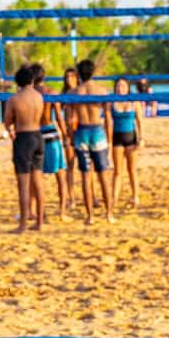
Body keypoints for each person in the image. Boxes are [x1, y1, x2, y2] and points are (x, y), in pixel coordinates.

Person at [68, 58, 114, 225]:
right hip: (97, 131)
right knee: (103, 175)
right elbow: (108, 118)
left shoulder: (73, 93)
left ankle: (90, 216)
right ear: (93, 72)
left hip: (82, 132)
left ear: (78, 74)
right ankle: (109, 214)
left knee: (86, 176)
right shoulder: (101, 91)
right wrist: (108, 139)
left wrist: (71, 138)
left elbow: (69, 119)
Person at [5, 65, 47, 232]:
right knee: (38, 181)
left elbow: (7, 121)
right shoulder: (39, 97)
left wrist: (11, 127)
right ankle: (40, 222)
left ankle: (22, 224)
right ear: (31, 80)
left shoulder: (15, 99)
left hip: (23, 137)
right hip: (37, 135)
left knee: (23, 183)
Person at [41, 72, 74, 221]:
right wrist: (66, 135)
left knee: (37, 177)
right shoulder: (50, 92)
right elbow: (60, 118)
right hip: (50, 131)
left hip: (35, 132)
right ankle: (62, 213)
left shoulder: (29, 94)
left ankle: (41, 213)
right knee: (60, 175)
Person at [110, 76, 142, 208]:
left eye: (123, 85)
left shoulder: (134, 101)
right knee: (118, 171)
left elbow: (139, 120)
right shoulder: (111, 101)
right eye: (118, 86)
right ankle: (114, 199)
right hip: (117, 138)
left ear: (128, 87)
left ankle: (135, 197)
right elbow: (107, 121)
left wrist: (142, 138)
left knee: (132, 170)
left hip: (131, 138)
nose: (120, 88)